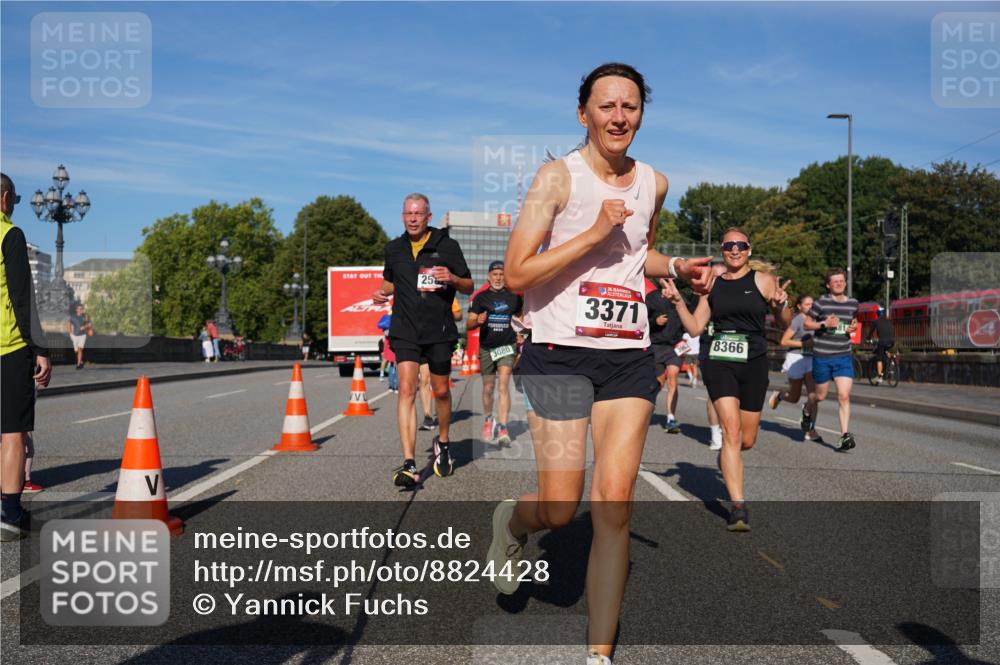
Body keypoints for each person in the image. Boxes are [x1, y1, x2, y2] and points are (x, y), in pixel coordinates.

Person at [488, 63, 712, 665]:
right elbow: (516, 273)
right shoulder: (555, 179)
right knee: (561, 510)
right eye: (607, 106)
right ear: (583, 112)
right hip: (559, 356)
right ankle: (512, 524)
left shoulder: (655, 183)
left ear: (643, 114)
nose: (620, 117)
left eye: (631, 107)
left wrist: (677, 267)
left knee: (613, 503)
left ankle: (598, 657)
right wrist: (589, 233)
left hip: (626, 360)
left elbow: (638, 251)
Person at [665, 231, 790, 532]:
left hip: (754, 363)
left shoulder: (763, 280)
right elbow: (695, 328)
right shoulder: (712, 285)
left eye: (740, 246)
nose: (734, 250)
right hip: (719, 361)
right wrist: (679, 301)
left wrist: (782, 304)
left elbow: (785, 324)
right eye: (728, 246)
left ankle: (729, 459)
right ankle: (738, 507)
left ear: (749, 249)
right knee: (731, 432)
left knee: (746, 440)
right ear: (722, 250)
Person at [373, 194, 473, 488]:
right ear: (403, 217)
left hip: (439, 328)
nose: (413, 218)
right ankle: (408, 461)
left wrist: (452, 278)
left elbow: (468, 285)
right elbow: (391, 281)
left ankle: (443, 442)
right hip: (405, 328)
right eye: (408, 213)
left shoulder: (447, 246)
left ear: (429, 217)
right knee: (407, 389)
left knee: (441, 391)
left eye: (418, 213)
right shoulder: (394, 248)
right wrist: (382, 292)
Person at [1, 173, 52, 540]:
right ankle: (9, 513)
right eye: (16, 201)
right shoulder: (10, 234)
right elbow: (22, 297)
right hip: (8, 348)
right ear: (4, 199)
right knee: (12, 434)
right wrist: (41, 349)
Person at [803, 268, 860, 451]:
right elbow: (807, 323)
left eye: (841, 281)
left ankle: (844, 435)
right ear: (828, 284)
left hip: (843, 355)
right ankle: (807, 407)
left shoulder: (853, 303)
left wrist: (851, 328)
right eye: (834, 281)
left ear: (845, 282)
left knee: (843, 396)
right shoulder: (821, 302)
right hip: (823, 356)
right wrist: (824, 324)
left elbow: (852, 323)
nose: (838, 283)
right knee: (819, 396)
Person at [468, 261, 522, 446]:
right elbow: (469, 324)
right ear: (488, 277)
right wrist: (478, 321)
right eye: (495, 274)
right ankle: (489, 419)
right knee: (488, 388)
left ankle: (503, 426)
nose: (498, 277)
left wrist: (521, 332)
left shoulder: (515, 298)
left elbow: (522, 319)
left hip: (507, 346)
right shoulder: (480, 298)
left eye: (501, 274)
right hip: (487, 348)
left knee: (503, 386)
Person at [768, 294, 823, 442]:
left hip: (811, 359)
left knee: (814, 396)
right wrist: (804, 344)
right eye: (807, 304)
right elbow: (784, 341)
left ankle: (810, 430)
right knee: (794, 397)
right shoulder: (798, 320)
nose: (811, 307)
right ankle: (779, 396)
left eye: (813, 304)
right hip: (795, 358)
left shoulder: (817, 320)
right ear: (799, 306)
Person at [645, 277, 689, 433]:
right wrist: (655, 322)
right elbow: (641, 321)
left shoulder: (679, 298)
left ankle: (671, 417)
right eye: (665, 278)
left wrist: (686, 338)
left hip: (674, 347)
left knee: (673, 378)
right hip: (656, 346)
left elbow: (687, 320)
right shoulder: (651, 298)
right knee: (658, 382)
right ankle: (648, 407)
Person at [417, 298, 461, 430]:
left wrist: (443, 312)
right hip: (421, 339)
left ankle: (444, 413)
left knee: (441, 384)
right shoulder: (417, 290)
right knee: (424, 377)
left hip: (441, 340)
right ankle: (427, 416)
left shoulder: (446, 292)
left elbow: (458, 315)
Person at [871, 306, 895, 385]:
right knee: (887, 351)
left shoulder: (876, 321)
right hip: (891, 342)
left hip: (882, 342)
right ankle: (891, 362)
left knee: (879, 359)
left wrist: (867, 338)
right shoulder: (889, 321)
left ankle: (879, 377)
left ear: (878, 314)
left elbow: (871, 332)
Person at [67, 303, 92, 369]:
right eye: (79, 309)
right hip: (74, 335)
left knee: (80, 349)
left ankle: (78, 364)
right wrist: (70, 333)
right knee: (76, 350)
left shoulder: (85, 317)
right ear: (76, 310)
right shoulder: (73, 317)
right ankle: (80, 361)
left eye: (81, 309)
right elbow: (69, 324)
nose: (81, 310)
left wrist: (84, 327)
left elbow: (89, 324)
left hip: (82, 335)